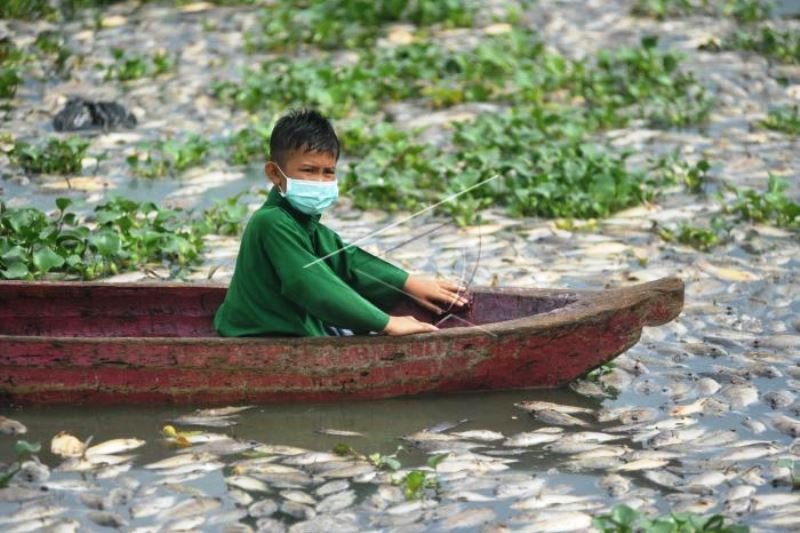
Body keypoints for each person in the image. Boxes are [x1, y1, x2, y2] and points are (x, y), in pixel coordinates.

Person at [214, 109, 468, 337]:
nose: (321, 181)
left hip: (296, 325)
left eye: (329, 172)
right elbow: (309, 284)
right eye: (309, 170)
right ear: (274, 174)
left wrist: (407, 282)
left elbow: (348, 261)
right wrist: (387, 323)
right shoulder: (270, 222)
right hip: (259, 335)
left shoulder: (304, 222)